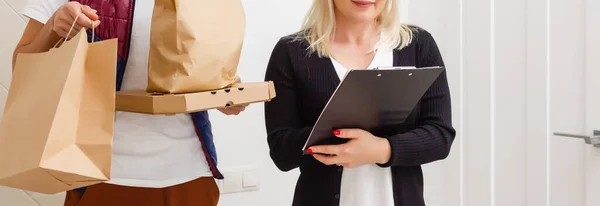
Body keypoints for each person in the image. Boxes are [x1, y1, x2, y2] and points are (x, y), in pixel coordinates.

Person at [13, 0, 246, 205]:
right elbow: (21, 69)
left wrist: (226, 94)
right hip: (103, 177)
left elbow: (207, 75)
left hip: (190, 176)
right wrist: (54, 27)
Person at [264, 0, 456, 205]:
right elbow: (281, 151)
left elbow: (440, 136)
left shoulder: (418, 44)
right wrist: (336, 134)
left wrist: (383, 150)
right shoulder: (291, 52)